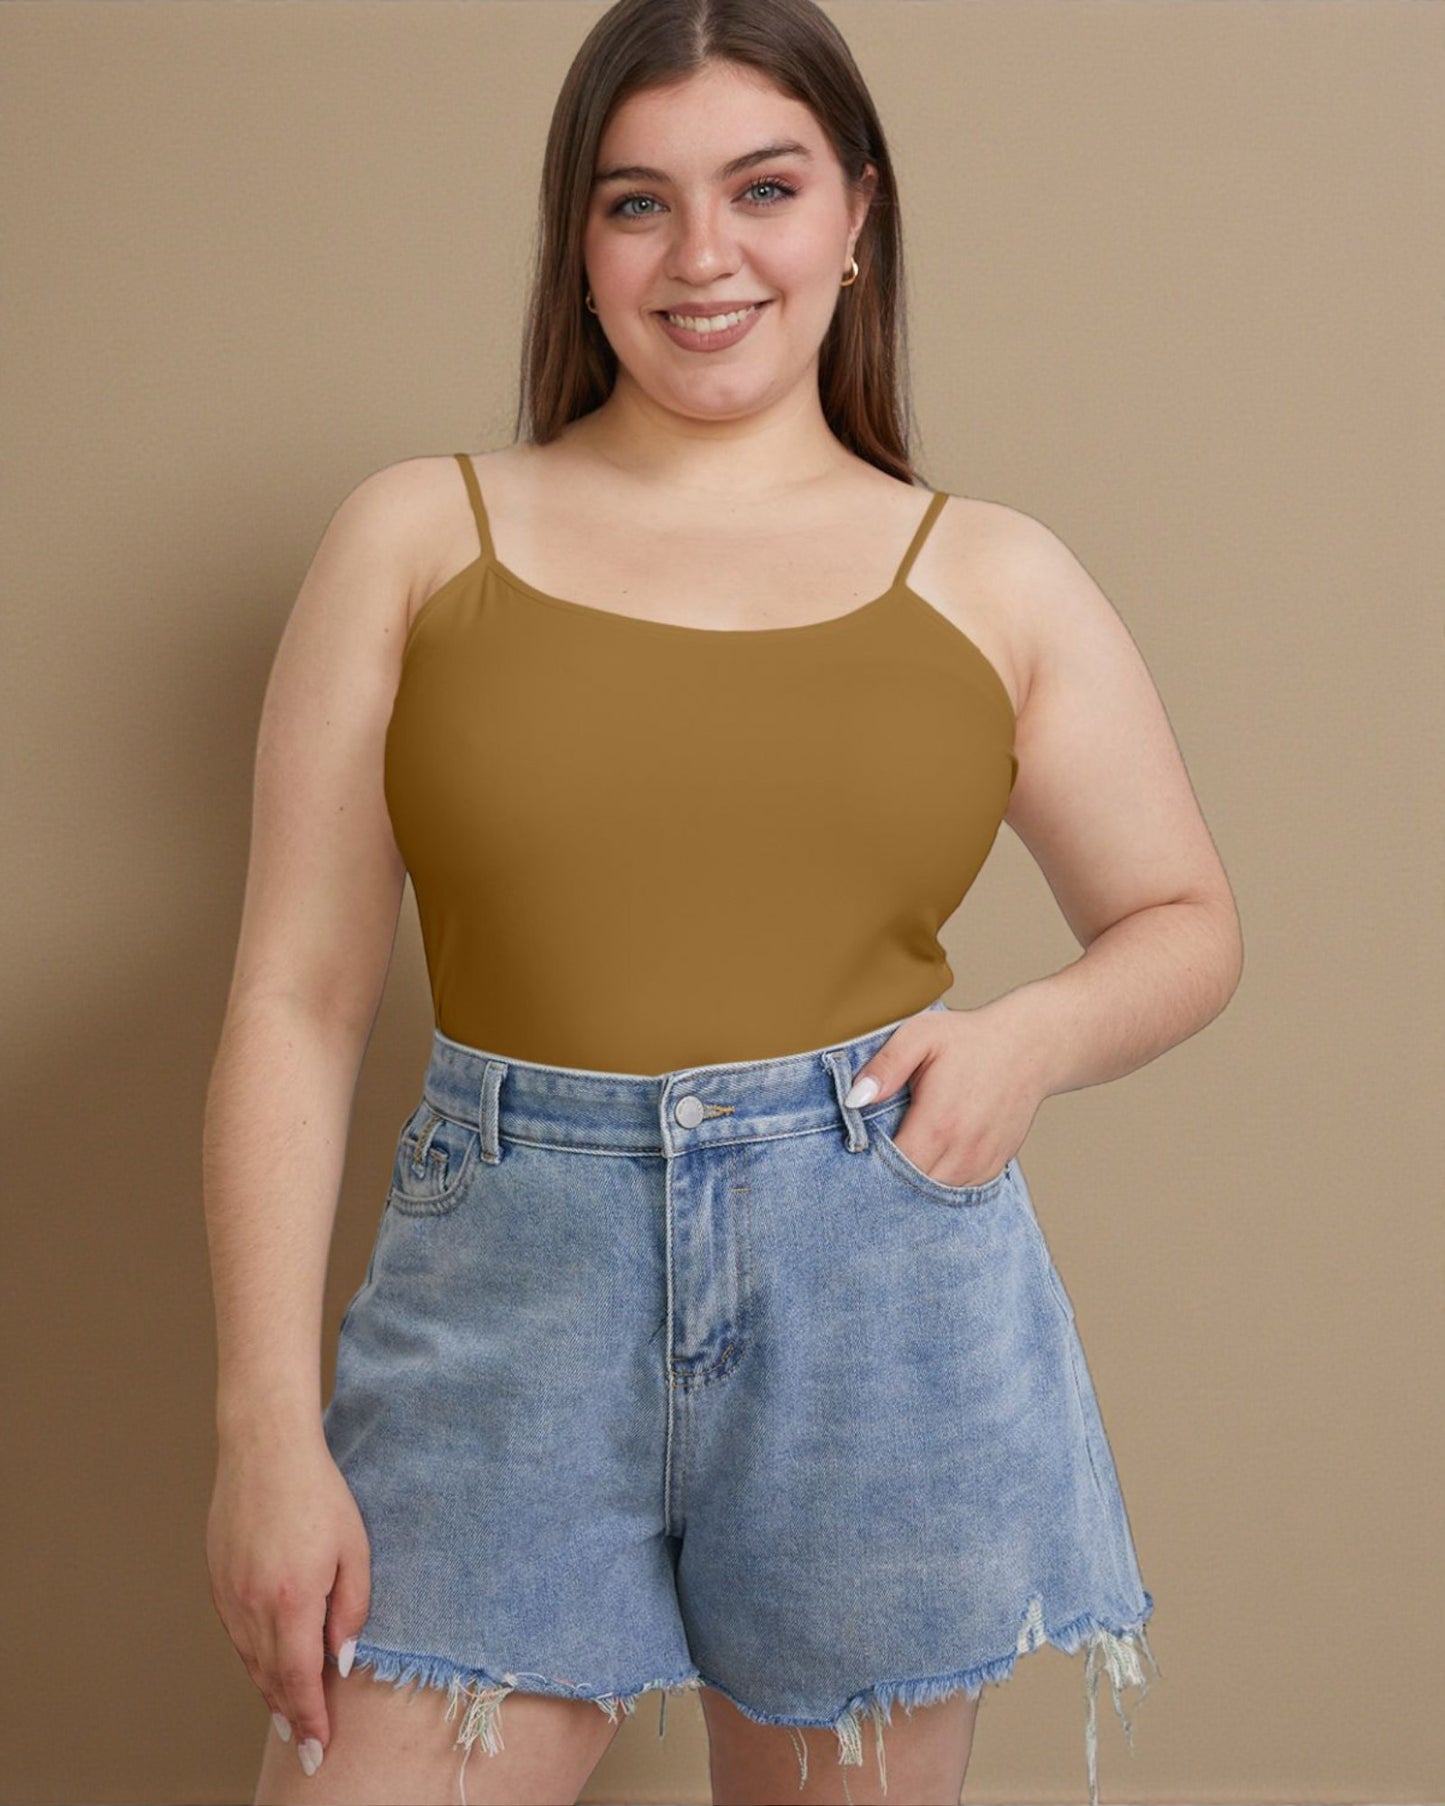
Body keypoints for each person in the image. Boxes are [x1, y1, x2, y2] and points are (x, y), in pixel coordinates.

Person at [203, 3, 1242, 1803]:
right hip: (502, 1288)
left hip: (877, 1286)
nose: (702, 258)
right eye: (635, 204)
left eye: (761, 188)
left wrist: (1025, 1043)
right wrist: (261, 1432)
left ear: (857, 212)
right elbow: (294, 1003)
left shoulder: (990, 576)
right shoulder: (417, 538)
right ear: (577, 245)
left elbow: (1181, 919)